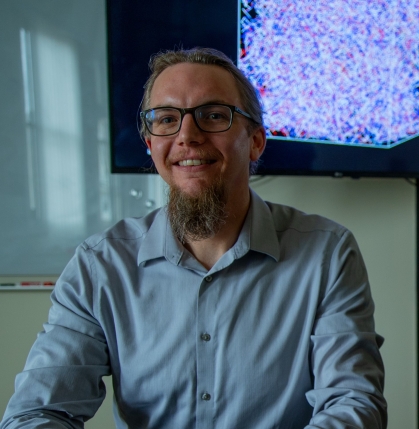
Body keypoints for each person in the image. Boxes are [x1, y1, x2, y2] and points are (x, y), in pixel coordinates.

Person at [1, 47, 387, 429]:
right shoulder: (100, 265)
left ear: (255, 141)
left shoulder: (327, 253)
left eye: (214, 115)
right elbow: (36, 413)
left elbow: (352, 403)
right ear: (151, 144)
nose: (187, 135)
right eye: (166, 119)